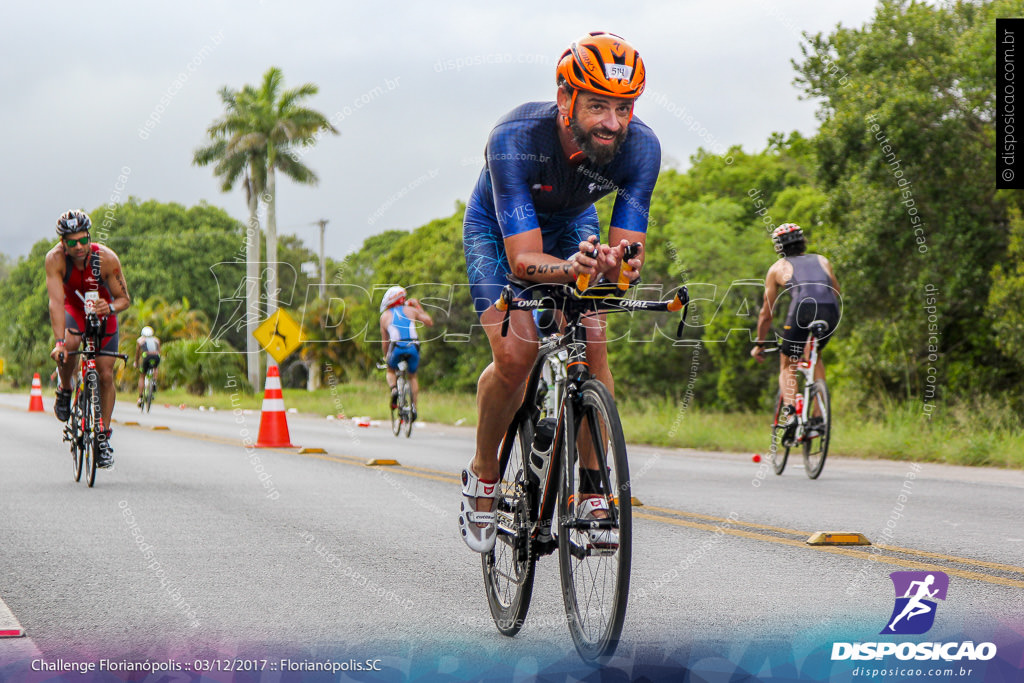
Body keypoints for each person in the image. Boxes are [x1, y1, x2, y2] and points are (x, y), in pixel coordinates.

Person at [459, 31, 659, 552]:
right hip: (499, 232)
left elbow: (626, 262)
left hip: (572, 224)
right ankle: (483, 472)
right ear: (565, 99)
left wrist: (617, 268)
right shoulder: (517, 137)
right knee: (516, 353)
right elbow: (524, 261)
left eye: (623, 108)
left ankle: (592, 488)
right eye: (597, 105)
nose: (611, 123)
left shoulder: (641, 149)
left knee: (594, 340)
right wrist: (572, 271)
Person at [46, 210, 131, 468]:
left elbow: (124, 299)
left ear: (89, 237)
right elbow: (56, 303)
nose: (79, 246)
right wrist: (59, 342)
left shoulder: (106, 259)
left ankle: (103, 437)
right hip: (74, 311)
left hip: (104, 313)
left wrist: (111, 308)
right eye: (72, 242)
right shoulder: (55, 260)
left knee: (105, 375)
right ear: (63, 243)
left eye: (83, 239)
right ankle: (65, 390)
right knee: (68, 347)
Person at [751, 223, 841, 431]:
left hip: (803, 308)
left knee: (787, 364)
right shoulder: (822, 260)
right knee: (814, 353)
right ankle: (818, 416)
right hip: (831, 309)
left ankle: (790, 414)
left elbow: (766, 313)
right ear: (803, 242)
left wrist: (759, 344)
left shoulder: (777, 268)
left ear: (778, 248)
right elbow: (835, 290)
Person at [379, 286, 434, 422]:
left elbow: (385, 342)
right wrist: (418, 306)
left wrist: (386, 357)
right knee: (413, 376)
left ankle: (394, 390)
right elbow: (429, 322)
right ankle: (414, 407)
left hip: (396, 347)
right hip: (413, 347)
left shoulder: (385, 316)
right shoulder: (411, 310)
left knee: (390, 371)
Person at [134, 325, 162, 407]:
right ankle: (154, 381)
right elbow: (159, 351)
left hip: (146, 356)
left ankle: (140, 396)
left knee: (142, 376)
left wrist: (136, 362)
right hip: (156, 356)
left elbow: (137, 353)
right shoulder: (156, 340)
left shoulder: (140, 340)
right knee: (155, 368)